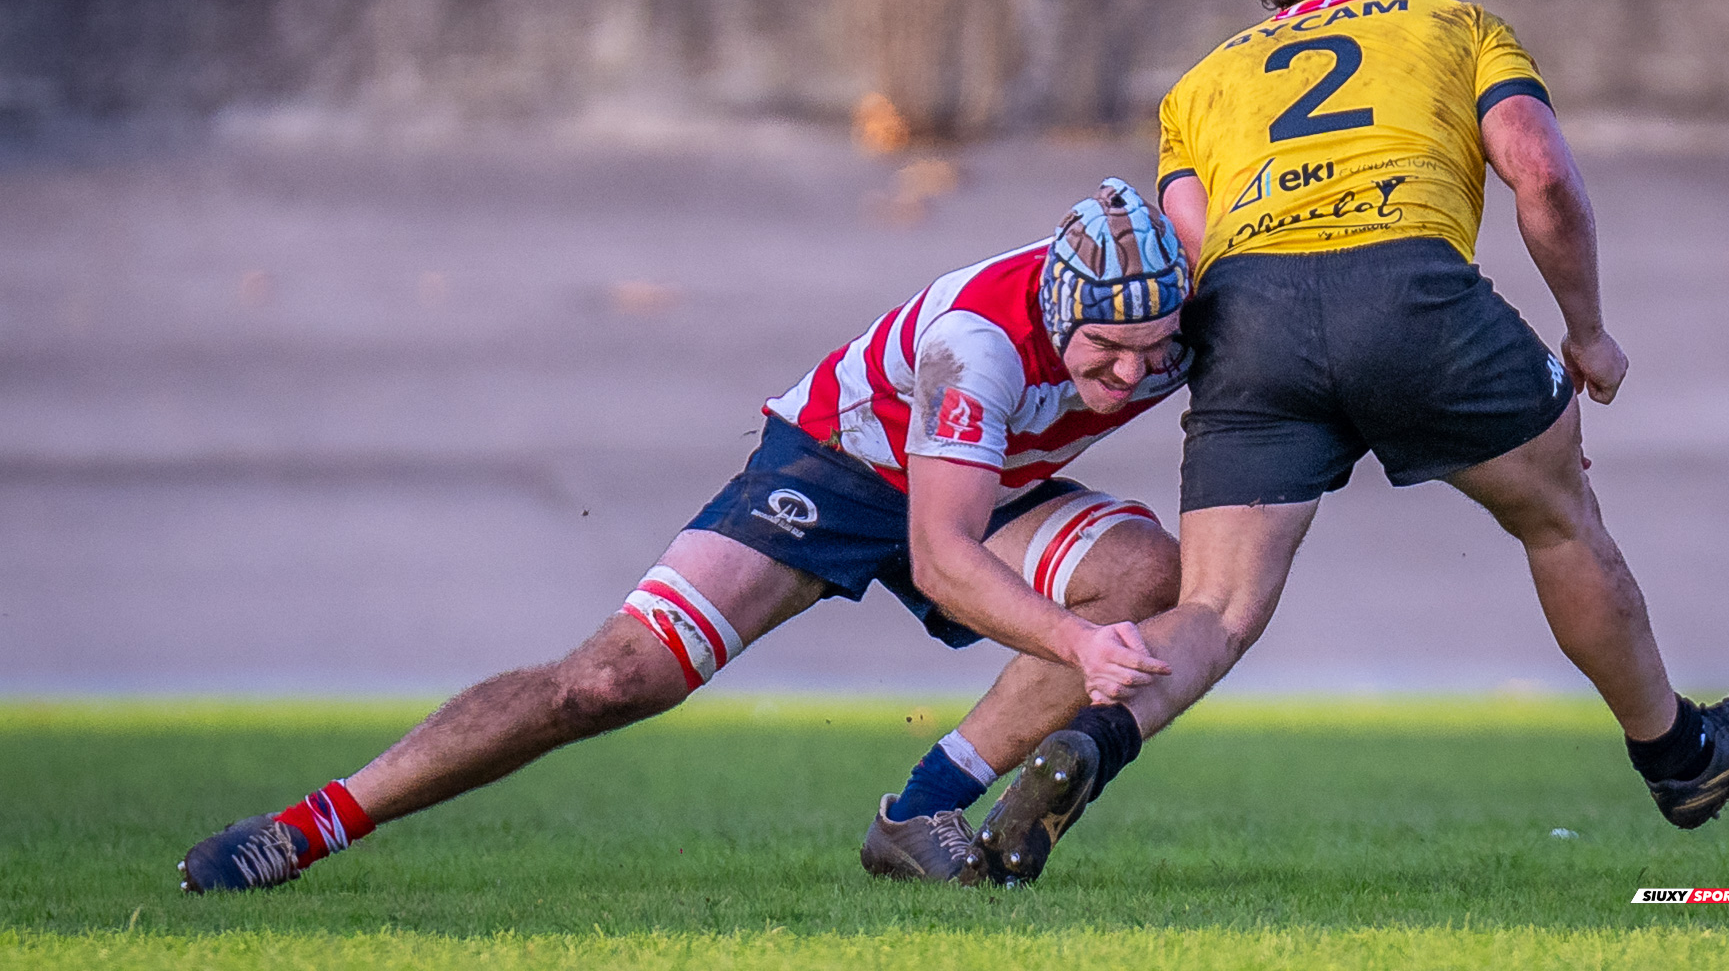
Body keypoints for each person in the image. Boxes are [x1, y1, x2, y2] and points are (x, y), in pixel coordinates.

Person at [961, 0, 1729, 886]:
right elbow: (1540, 173)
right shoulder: (1457, 25)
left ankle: (1087, 745)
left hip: (1251, 317)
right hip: (1410, 290)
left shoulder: (1200, 86)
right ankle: (1680, 757)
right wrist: (1588, 334)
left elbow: (1194, 248)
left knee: (1216, 609)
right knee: (1558, 521)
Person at [178, 178, 1193, 892]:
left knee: (1143, 569)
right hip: (840, 469)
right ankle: (303, 828)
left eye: (1152, 357)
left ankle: (918, 813)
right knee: (607, 682)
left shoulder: (1172, 324)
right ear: (1055, 311)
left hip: (987, 478)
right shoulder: (978, 345)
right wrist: (1076, 643)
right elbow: (943, 557)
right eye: (1105, 354)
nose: (1128, 377)